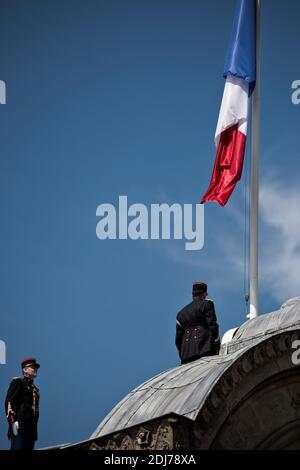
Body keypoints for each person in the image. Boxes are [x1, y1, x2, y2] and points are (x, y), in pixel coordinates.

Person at [176, 282, 220, 364]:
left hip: (186, 355)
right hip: (205, 349)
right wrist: (216, 345)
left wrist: (183, 353)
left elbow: (178, 340)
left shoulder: (180, 314)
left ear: (192, 295)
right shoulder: (207, 304)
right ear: (204, 294)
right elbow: (213, 326)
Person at [5, 357, 40, 450]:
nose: (35, 369)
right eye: (33, 367)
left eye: (36, 367)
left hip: (31, 430)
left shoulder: (35, 389)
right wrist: (13, 422)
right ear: (25, 370)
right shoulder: (18, 382)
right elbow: (9, 402)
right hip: (19, 426)